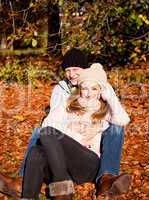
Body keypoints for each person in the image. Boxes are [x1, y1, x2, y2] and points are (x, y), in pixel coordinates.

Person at [0, 49, 132, 198]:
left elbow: (122, 119)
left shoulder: (102, 99)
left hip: (88, 156)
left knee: (116, 128)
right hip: (63, 149)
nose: (71, 74)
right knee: (38, 145)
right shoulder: (65, 97)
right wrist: (71, 128)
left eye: (75, 69)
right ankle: (26, 187)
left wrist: (106, 102)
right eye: (68, 70)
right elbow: (51, 122)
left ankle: (106, 177)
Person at [21, 63, 130, 199]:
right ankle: (28, 196)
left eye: (94, 89)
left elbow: (123, 120)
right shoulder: (69, 104)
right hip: (64, 165)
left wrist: (110, 99)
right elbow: (48, 123)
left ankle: (62, 189)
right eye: (84, 88)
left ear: (101, 90)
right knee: (36, 151)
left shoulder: (103, 109)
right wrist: (71, 131)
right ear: (80, 89)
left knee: (48, 134)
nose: (89, 93)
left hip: (88, 163)